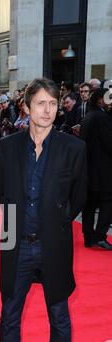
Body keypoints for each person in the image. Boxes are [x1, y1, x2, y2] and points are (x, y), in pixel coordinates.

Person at [0, 78, 87, 342]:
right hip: (17, 245)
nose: (47, 110)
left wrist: (55, 219)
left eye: (53, 104)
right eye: (40, 103)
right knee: (9, 316)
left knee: (59, 317)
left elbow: (79, 197)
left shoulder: (73, 148)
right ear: (27, 106)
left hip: (53, 245)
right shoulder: (9, 146)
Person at [81, 88, 112, 250]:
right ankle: (99, 235)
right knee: (107, 203)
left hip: (89, 169)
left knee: (89, 205)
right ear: (100, 100)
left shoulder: (88, 116)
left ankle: (88, 236)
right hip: (104, 171)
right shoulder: (102, 117)